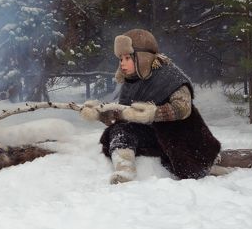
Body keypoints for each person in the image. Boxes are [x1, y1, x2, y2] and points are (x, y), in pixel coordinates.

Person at [80, 28, 221, 184]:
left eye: (127, 58)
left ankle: (212, 164)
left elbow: (183, 108)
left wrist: (152, 113)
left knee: (191, 162)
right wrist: (101, 113)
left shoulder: (169, 76)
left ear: (142, 58)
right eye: (120, 59)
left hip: (183, 139)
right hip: (154, 137)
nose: (122, 63)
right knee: (119, 131)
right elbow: (124, 115)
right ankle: (125, 170)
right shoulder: (131, 82)